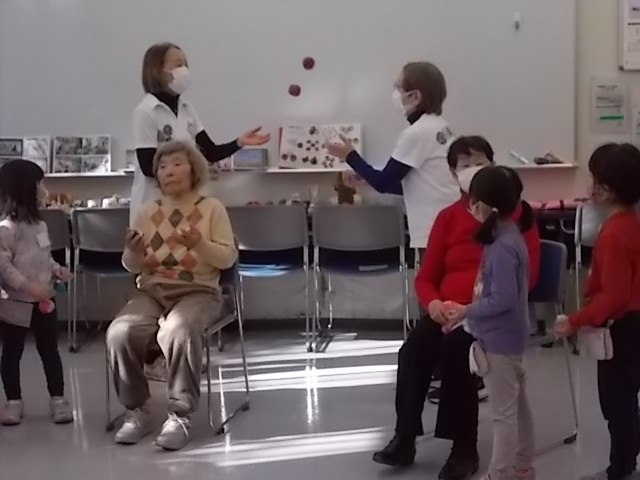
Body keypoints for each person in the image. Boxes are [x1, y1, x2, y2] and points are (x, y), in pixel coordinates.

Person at [373, 136, 540, 480]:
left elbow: (528, 276)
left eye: (479, 162)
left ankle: (463, 448)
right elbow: (426, 277)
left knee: (456, 350)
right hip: (447, 310)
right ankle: (404, 437)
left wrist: (471, 309)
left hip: (488, 316)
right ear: (452, 174)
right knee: (413, 349)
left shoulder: (515, 217)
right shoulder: (448, 217)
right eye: (463, 165)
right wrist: (434, 304)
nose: (472, 170)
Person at [132, 42, 268, 380]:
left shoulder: (187, 109)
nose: (184, 70)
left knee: (191, 274)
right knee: (155, 278)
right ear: (157, 70)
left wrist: (239, 143)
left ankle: (180, 349)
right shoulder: (145, 112)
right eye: (176, 64)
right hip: (156, 207)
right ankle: (154, 357)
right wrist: (178, 169)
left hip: (188, 205)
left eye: (185, 63)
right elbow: (149, 166)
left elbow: (208, 151)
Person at [107, 140, 237, 451]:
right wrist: (132, 252)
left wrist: (198, 244)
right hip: (152, 290)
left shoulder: (211, 208)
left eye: (177, 164)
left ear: (194, 170)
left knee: (179, 329)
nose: (169, 171)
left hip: (199, 291)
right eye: (163, 166)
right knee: (119, 332)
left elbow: (227, 258)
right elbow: (132, 266)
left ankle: (180, 415)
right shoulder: (147, 211)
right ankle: (136, 410)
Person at [555, 143, 640, 480]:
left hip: (623, 327)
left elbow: (615, 296)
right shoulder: (631, 223)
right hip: (633, 323)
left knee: (617, 403)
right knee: (625, 398)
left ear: (605, 188)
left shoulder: (614, 233)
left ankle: (620, 467)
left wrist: (574, 321)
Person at [446, 166, 535, 480]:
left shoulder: (502, 246)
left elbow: (503, 299)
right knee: (517, 409)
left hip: (499, 341)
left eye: (473, 202)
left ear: (483, 206)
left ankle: (499, 473)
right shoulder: (506, 236)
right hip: (505, 336)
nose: (470, 208)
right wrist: (465, 315)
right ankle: (523, 467)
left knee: (503, 415)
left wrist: (466, 311)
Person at [326, 61, 460, 249]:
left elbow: (383, 183)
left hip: (435, 229)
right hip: (447, 224)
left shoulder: (417, 133)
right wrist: (367, 178)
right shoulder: (438, 125)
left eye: (398, 87)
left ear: (415, 96)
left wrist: (349, 155)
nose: (395, 93)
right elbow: (414, 185)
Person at [0, 159, 74, 426]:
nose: (44, 189)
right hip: (16, 304)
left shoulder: (40, 225)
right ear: (24, 188)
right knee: (12, 353)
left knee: (50, 350)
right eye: (40, 183)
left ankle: (58, 399)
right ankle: (13, 401)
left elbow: (45, 256)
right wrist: (26, 285)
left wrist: (56, 270)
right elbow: (4, 266)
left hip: (45, 301)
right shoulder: (6, 229)